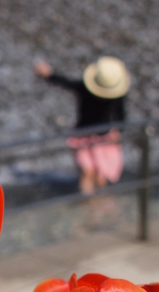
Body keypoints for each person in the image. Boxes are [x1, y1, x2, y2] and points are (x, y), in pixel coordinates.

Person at [35, 56, 130, 194]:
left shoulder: (114, 96)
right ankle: (91, 207)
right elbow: (66, 82)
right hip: (85, 137)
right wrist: (50, 75)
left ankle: (95, 207)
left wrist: (119, 131)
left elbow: (121, 116)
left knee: (100, 175)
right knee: (88, 173)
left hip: (102, 138)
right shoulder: (85, 88)